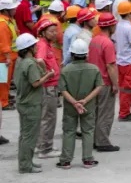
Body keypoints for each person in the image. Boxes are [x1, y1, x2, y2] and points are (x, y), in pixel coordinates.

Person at [58, 38, 103, 169]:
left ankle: (65, 161)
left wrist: (74, 102)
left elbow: (63, 90)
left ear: (71, 54)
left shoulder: (65, 70)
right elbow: (99, 87)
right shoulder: (94, 69)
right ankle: (88, 159)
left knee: (69, 131)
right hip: (88, 106)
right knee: (88, 131)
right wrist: (85, 100)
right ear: (86, 54)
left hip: (70, 106)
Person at [14, 33, 53, 173]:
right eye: (34, 45)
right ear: (29, 48)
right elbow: (36, 83)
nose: (37, 47)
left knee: (24, 134)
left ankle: (26, 161)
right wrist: (48, 75)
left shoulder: (20, 61)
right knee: (29, 136)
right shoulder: (30, 63)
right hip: (31, 104)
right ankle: (25, 165)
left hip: (23, 102)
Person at [88, 12, 119, 152]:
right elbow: (110, 66)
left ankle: (95, 140)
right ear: (111, 26)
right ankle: (102, 142)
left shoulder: (94, 40)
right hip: (105, 81)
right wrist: (115, 84)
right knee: (106, 112)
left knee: (96, 112)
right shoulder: (108, 43)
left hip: (94, 81)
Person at [34, 18, 62, 158]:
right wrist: (47, 73)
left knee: (46, 117)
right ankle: (45, 149)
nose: (54, 33)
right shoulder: (43, 45)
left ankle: (41, 145)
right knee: (48, 118)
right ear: (43, 33)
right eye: (51, 31)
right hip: (48, 87)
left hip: (50, 86)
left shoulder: (46, 44)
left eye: (55, 30)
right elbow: (39, 60)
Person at [114, 0, 131, 122]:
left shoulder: (118, 25)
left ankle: (124, 111)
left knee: (123, 88)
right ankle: (124, 113)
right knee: (129, 89)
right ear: (129, 14)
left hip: (120, 61)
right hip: (130, 61)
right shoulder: (129, 27)